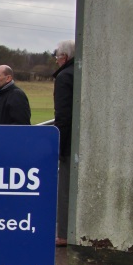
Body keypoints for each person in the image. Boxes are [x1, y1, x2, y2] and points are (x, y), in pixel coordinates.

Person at [53, 40, 75, 246]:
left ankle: (64, 234)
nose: (56, 61)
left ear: (65, 57)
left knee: (66, 188)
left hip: (70, 144)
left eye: (57, 57)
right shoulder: (82, 73)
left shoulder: (64, 77)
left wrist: (58, 144)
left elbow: (63, 115)